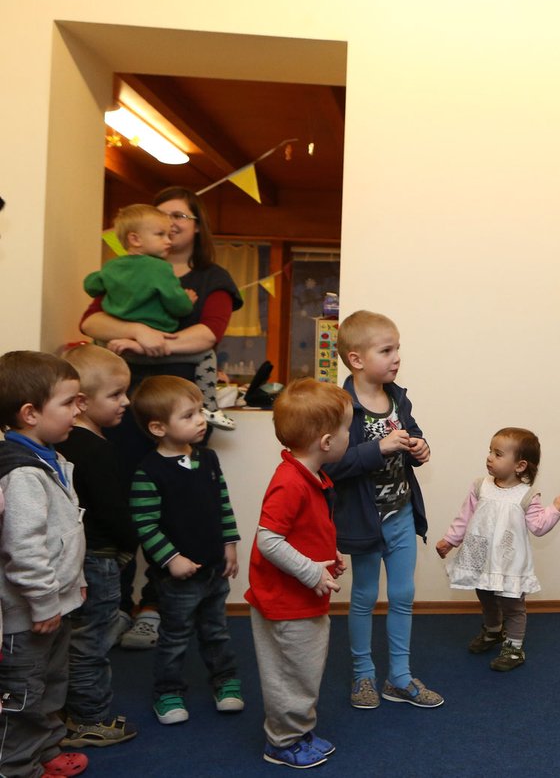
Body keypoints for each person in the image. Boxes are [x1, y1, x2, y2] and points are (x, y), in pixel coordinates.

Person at [81, 186, 244, 650]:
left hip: (179, 402)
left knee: (178, 506)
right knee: (119, 500)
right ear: (138, 233)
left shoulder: (212, 277)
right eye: (162, 217)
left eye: (180, 216)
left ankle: (155, 606)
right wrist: (136, 330)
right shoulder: (122, 271)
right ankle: (113, 605)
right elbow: (91, 323)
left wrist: (155, 344)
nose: (171, 224)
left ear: (196, 225)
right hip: (121, 407)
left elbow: (207, 332)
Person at [324, 310, 443, 710]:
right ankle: (363, 676)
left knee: (404, 595)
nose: (396, 358)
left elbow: (411, 437)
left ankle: (400, 677)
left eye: (398, 350)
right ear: (356, 359)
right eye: (386, 350)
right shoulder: (340, 405)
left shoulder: (398, 398)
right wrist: (380, 448)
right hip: (364, 518)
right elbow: (332, 465)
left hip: (401, 513)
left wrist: (419, 449)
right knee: (363, 596)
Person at [246, 379, 352, 769]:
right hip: (286, 600)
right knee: (292, 671)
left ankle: (297, 730)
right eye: (346, 429)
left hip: (302, 596)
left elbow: (302, 532)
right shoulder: (289, 481)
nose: (348, 436)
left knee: (304, 668)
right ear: (326, 442)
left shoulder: (310, 476)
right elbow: (268, 540)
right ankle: (283, 742)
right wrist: (311, 571)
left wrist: (327, 555)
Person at [128, 375, 242, 725]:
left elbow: (222, 504)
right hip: (177, 578)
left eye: (200, 411)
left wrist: (230, 545)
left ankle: (224, 681)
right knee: (175, 637)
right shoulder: (148, 471)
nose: (200, 420)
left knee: (216, 631)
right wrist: (172, 559)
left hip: (212, 570)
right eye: (189, 415)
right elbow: (145, 524)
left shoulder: (207, 460)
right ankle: (168, 691)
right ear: (159, 427)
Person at [0, 351, 90, 777]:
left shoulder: (49, 458)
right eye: (70, 402)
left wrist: (76, 583)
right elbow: (24, 548)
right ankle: (17, 766)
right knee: (23, 695)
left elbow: (67, 532)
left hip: (56, 604)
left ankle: (48, 750)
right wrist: (42, 601)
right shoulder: (21, 474)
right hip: (28, 616)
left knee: (54, 684)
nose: (79, 410)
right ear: (30, 413)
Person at [435, 428, 560, 671]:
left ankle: (514, 647)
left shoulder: (527, 496)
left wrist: (555, 507)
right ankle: (492, 631)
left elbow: (539, 527)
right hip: (481, 556)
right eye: (490, 451)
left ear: (520, 466)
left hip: (509, 560)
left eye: (498, 454)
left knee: (513, 604)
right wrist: (450, 540)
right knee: (485, 596)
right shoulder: (480, 486)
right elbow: (465, 517)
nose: (490, 457)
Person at [57, 345, 139, 749]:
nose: (126, 402)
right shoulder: (97, 451)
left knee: (75, 636)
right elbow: (113, 511)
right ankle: (90, 719)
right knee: (92, 643)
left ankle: (68, 710)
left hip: (73, 558)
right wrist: (131, 544)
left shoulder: (65, 444)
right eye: (116, 395)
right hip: (100, 560)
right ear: (83, 402)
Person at [83, 204, 196, 334]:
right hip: (154, 332)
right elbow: (177, 305)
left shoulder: (111, 265)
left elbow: (91, 286)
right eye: (160, 234)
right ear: (135, 239)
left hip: (115, 330)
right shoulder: (160, 268)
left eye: (168, 235)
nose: (168, 241)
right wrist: (187, 301)